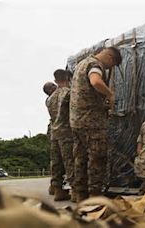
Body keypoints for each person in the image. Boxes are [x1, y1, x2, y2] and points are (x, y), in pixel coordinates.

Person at [70, 47, 122, 202]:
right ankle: (95, 195)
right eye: (111, 65)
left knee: (80, 157)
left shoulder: (81, 64)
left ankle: (80, 193)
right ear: (109, 57)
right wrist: (110, 94)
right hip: (92, 122)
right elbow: (95, 81)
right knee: (97, 158)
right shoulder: (95, 65)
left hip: (77, 121)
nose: (109, 68)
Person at [49, 69, 74, 201]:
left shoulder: (50, 98)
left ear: (55, 80)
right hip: (67, 132)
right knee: (70, 161)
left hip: (54, 133)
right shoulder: (69, 93)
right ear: (68, 78)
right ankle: (76, 191)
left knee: (57, 163)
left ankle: (58, 190)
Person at [43, 81, 57, 196]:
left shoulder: (48, 100)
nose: (55, 86)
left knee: (55, 160)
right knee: (66, 160)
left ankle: (54, 186)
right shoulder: (56, 97)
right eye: (52, 85)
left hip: (53, 131)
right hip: (61, 130)